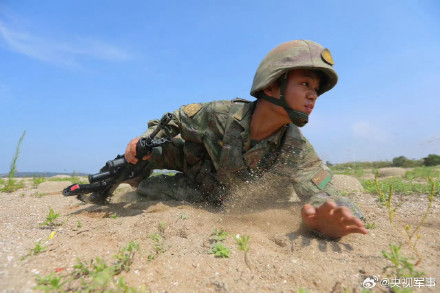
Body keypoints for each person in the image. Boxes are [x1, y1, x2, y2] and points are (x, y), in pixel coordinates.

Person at [124, 40, 367, 239]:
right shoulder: (221, 115)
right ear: (271, 86)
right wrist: (144, 140)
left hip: (204, 193)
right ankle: (126, 177)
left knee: (149, 189)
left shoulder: (296, 149)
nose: (313, 95)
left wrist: (331, 217)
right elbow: (174, 120)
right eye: (305, 84)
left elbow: (324, 194)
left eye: (316, 89)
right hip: (194, 163)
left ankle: (139, 184)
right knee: (144, 156)